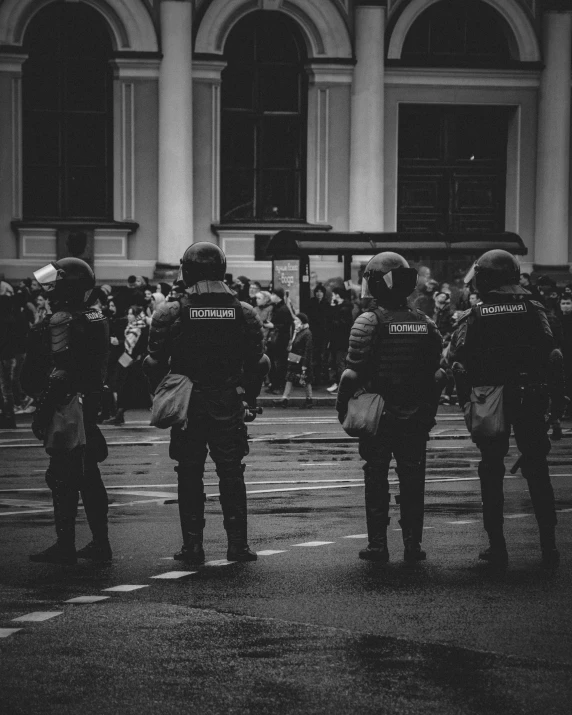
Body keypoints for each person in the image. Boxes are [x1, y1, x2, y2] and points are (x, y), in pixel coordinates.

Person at [144, 242, 268, 564]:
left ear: (188, 270)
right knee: (231, 473)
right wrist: (249, 398)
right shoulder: (244, 312)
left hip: (189, 403)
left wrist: (162, 392)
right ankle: (238, 546)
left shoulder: (172, 310)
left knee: (188, 473)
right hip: (227, 400)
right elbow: (260, 363)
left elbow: (153, 362)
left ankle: (193, 546)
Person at [450, 250, 564, 570]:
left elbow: (460, 361)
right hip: (531, 396)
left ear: (487, 279)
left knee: (491, 470)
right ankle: (548, 545)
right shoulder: (535, 308)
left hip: (492, 400)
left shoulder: (476, 313)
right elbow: (552, 354)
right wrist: (555, 401)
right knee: (538, 471)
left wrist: (466, 402)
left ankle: (497, 547)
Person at [336, 253, 444, 563]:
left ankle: (378, 545)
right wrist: (429, 411)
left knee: (376, 477)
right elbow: (438, 374)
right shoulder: (425, 322)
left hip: (379, 414)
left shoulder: (369, 321)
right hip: (415, 414)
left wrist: (342, 406)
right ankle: (412, 545)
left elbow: (351, 374)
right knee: (413, 480)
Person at [24, 258, 111, 564]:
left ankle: (66, 546)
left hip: (69, 405)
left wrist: (42, 412)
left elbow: (59, 372)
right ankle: (101, 543)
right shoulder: (96, 313)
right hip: (90, 401)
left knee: (61, 477)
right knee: (90, 477)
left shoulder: (63, 319)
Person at [103, 304, 149, 426]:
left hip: (133, 361)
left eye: (131, 314)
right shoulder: (130, 327)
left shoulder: (141, 329)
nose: (128, 316)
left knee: (125, 387)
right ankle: (117, 414)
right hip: (126, 358)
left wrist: (119, 343)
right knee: (117, 384)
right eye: (128, 313)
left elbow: (139, 347)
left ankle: (118, 415)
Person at [274, 313, 314, 408]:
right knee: (289, 377)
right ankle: (285, 398)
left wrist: (305, 364)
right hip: (294, 357)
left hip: (301, 359)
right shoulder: (298, 331)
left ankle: (309, 399)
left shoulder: (307, 333)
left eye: (297, 320)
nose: (295, 322)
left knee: (304, 379)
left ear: (302, 322)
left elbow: (308, 350)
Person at [266, 287, 293, 394]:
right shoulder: (277, 307)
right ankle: (274, 385)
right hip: (275, 341)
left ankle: (278, 386)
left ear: (277, 297)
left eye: (273, 294)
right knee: (273, 363)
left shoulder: (283, 309)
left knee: (279, 364)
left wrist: (273, 325)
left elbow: (287, 325)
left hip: (280, 341)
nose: (271, 296)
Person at [327, 287, 354, 394]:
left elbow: (341, 324)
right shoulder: (339, 307)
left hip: (341, 341)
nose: (332, 296)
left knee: (340, 364)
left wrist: (333, 310)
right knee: (333, 362)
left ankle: (341, 386)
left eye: (334, 294)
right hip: (335, 340)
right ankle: (336, 383)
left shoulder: (345, 309)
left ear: (338, 295)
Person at [308, 283, 330, 386]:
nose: (319, 293)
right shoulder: (311, 303)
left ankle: (322, 378)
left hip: (323, 334)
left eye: (321, 292)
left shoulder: (326, 303)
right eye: (317, 291)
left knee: (323, 356)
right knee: (314, 356)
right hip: (314, 333)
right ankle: (315, 378)